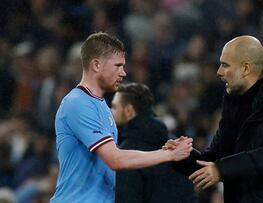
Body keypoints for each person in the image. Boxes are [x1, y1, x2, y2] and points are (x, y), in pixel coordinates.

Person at [165, 35, 263, 202]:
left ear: (245, 68)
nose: (219, 72)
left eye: (225, 65)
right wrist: (183, 157)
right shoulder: (235, 107)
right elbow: (214, 159)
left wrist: (221, 169)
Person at [50, 32, 193, 203]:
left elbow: (115, 158)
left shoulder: (101, 105)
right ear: (96, 65)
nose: (123, 73)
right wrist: (168, 155)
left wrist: (164, 150)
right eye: (117, 65)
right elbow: (115, 159)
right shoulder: (78, 103)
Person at [112, 82, 196, 203]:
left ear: (129, 110)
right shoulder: (175, 144)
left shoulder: (128, 151)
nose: (111, 111)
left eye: (115, 107)